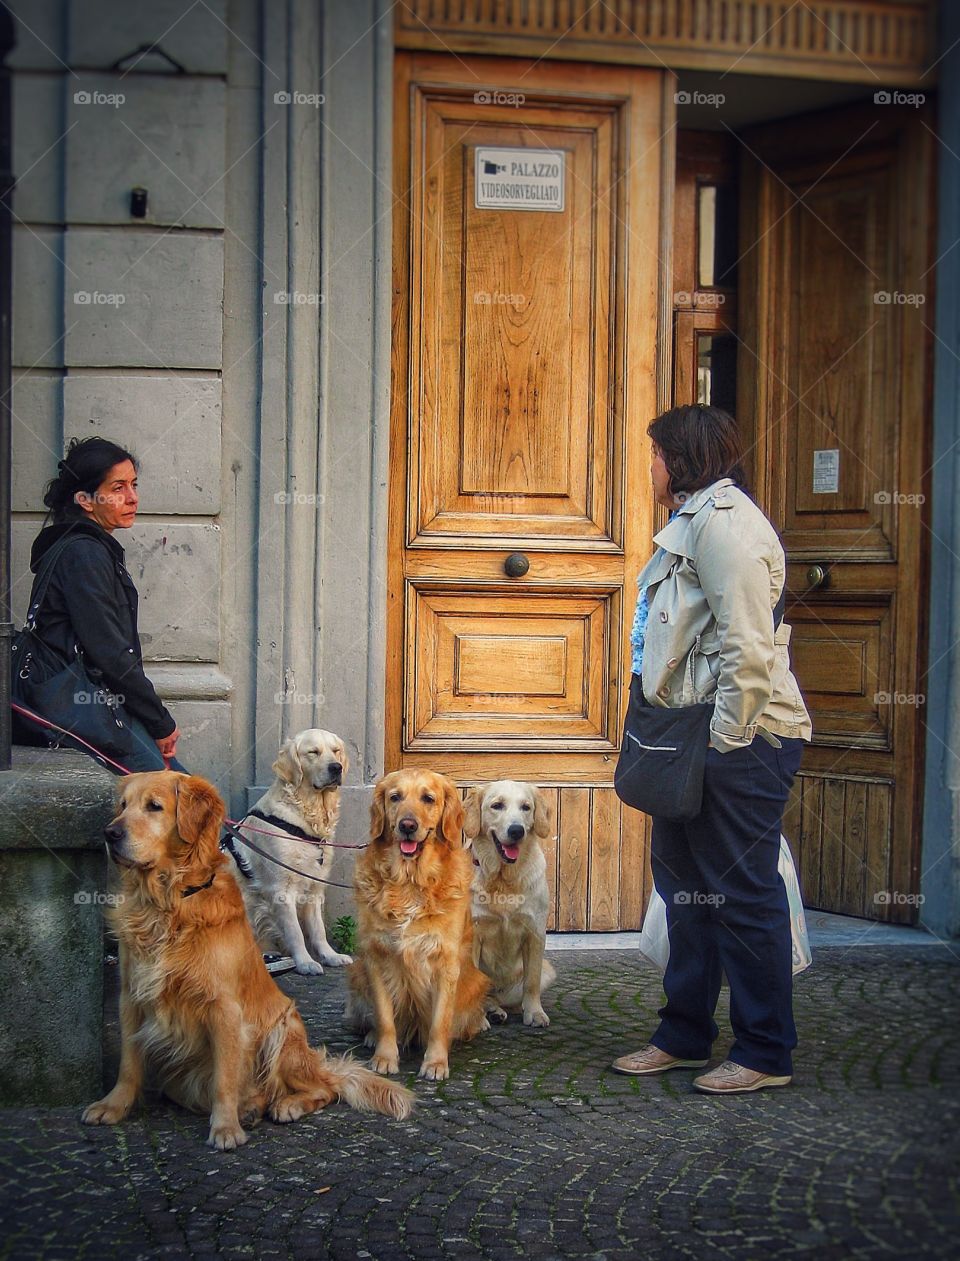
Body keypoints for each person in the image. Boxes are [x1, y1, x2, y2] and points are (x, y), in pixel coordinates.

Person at [613, 404, 812, 1094]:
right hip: (685, 737)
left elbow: (748, 647)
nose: (650, 467)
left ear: (683, 458)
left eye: (656, 454)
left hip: (740, 738)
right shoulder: (693, 523)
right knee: (685, 892)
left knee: (743, 894)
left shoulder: (726, 529)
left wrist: (728, 741)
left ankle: (764, 1051)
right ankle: (684, 1034)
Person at [17, 436, 185, 773]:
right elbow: (109, 650)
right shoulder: (83, 553)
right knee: (173, 800)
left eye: (133, 484)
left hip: (97, 703)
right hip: (86, 706)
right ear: (85, 500)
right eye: (118, 487)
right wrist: (159, 721)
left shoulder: (84, 548)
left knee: (178, 796)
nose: (132, 497)